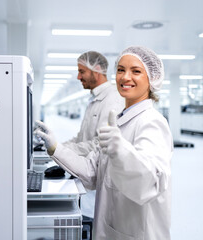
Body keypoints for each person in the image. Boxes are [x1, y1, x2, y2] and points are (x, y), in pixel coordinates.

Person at [35, 46, 173, 240]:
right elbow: (91, 171)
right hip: (110, 227)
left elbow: (148, 183)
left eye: (136, 71)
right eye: (120, 70)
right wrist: (55, 148)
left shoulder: (151, 122)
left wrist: (121, 151)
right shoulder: (119, 120)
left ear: (152, 78)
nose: (125, 77)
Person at [62, 51, 124, 156]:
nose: (78, 77)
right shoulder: (94, 99)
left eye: (82, 72)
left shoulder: (113, 98)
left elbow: (101, 144)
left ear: (97, 70)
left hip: (99, 170)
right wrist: (57, 147)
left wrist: (62, 151)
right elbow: (82, 138)